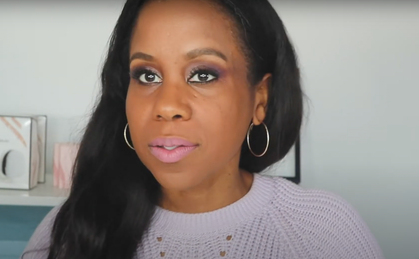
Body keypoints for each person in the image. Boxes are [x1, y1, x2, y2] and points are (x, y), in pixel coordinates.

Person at [22, 0, 384, 258]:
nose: (166, 105)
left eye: (203, 74)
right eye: (147, 75)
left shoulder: (323, 230)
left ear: (260, 98)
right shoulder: (73, 228)